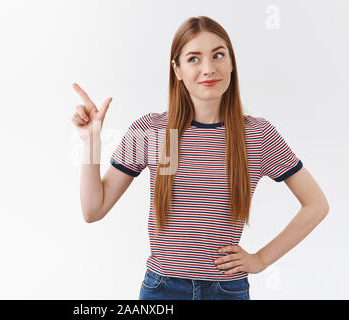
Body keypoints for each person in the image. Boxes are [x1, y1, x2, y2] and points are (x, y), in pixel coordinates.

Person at [71, 16, 329, 300]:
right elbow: (93, 210)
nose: (209, 68)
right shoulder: (157, 132)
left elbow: (316, 205)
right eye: (194, 59)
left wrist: (260, 260)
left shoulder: (256, 135)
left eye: (218, 55)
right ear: (177, 70)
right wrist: (91, 142)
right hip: (162, 290)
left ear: (231, 63)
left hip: (226, 291)